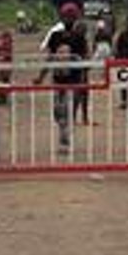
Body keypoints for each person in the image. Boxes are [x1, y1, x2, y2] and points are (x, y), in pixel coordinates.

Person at [35, 8, 89, 151]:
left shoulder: (80, 38)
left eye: (71, 16)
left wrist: (84, 80)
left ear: (75, 18)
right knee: (58, 111)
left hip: (75, 79)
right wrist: (41, 76)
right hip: (59, 79)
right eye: (66, 16)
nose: (68, 19)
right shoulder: (55, 36)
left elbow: (85, 59)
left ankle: (64, 140)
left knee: (70, 110)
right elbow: (50, 58)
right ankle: (63, 131)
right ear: (62, 17)